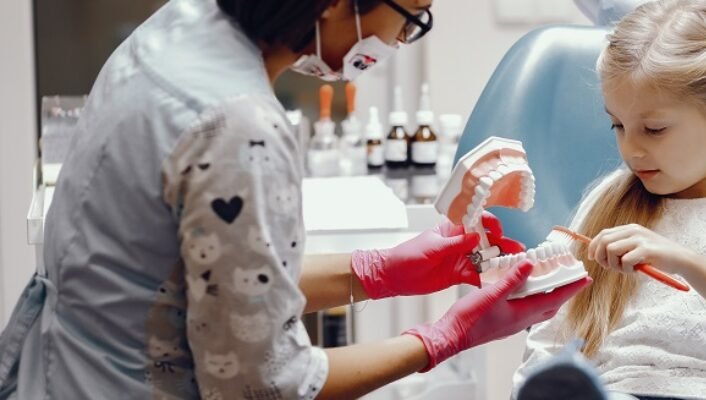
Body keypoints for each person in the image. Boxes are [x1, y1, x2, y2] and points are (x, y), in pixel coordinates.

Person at [0, 0, 588, 399]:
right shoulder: (238, 127)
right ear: (335, 2)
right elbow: (269, 386)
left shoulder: (178, 27)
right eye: (410, 18)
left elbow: (209, 284)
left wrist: (377, 272)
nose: (399, 41)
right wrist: (443, 338)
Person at [513, 1, 706, 399]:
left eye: (654, 129)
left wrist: (683, 261)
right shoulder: (610, 200)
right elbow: (556, 334)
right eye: (618, 125)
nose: (631, 149)